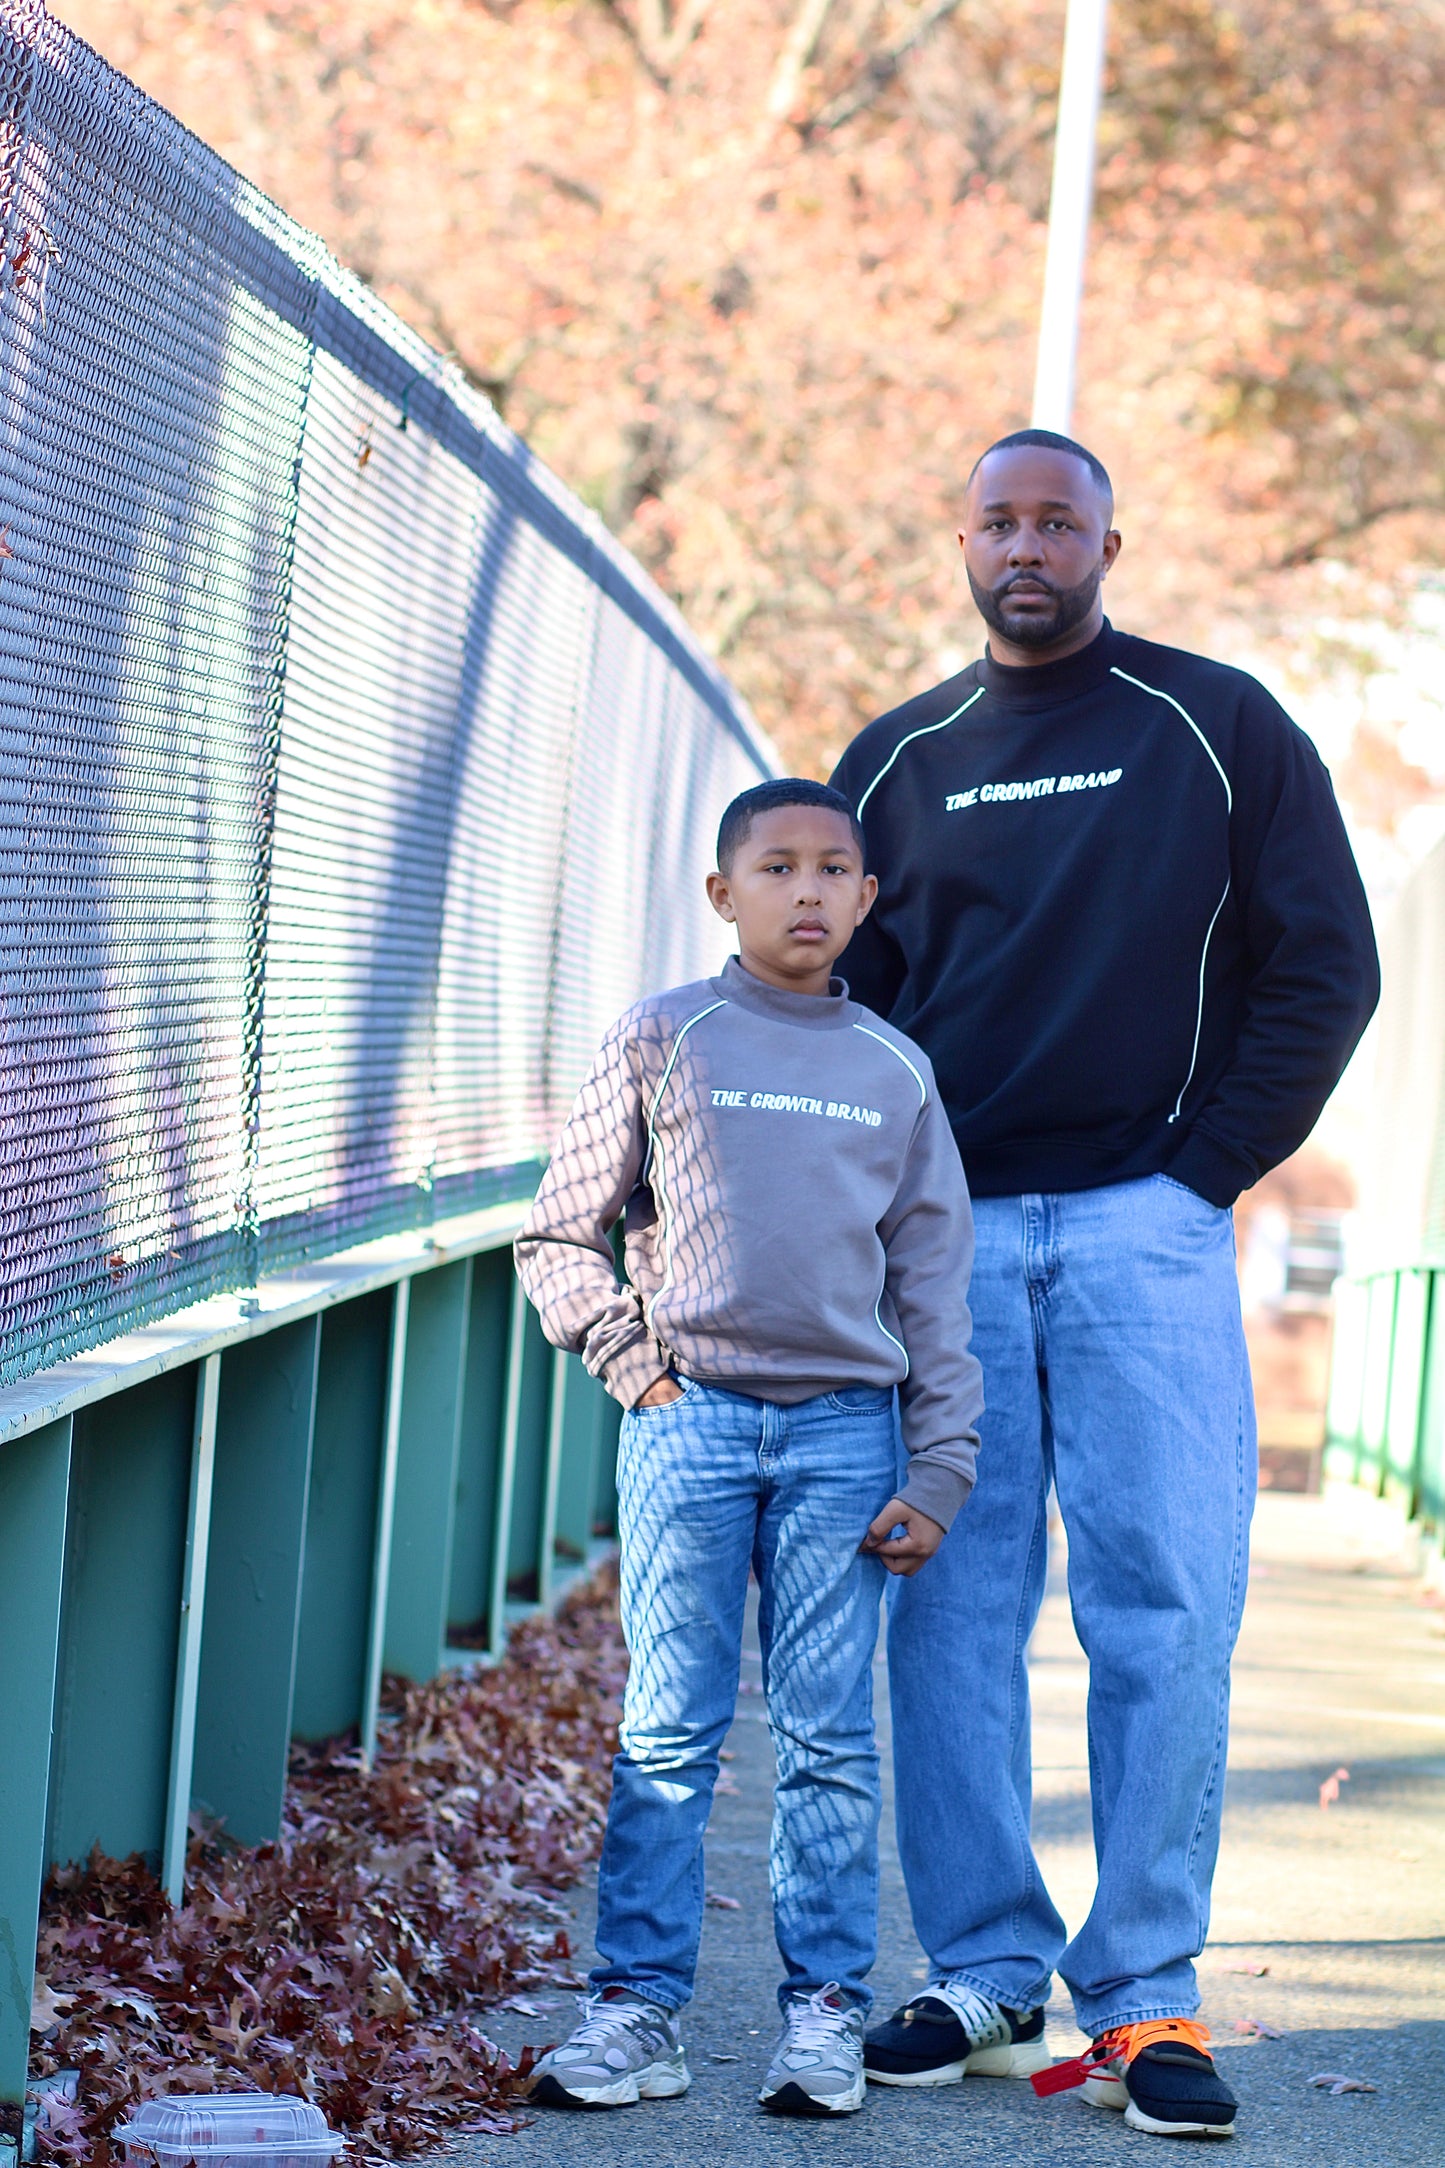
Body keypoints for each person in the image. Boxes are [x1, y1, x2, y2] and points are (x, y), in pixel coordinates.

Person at [830, 430, 1380, 2141]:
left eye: (1054, 522)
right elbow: (834, 1010)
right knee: (954, 1611)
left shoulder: (1216, 730)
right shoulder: (894, 762)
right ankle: (987, 1972)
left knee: (1165, 1612)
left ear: (1106, 545)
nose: (1023, 545)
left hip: (1148, 1230)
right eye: (995, 518)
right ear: (960, 540)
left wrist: (1200, 1169)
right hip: (952, 1249)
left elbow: (1324, 965)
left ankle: (1143, 1999)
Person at [513, 777, 984, 2118]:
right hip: (690, 1421)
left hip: (846, 1434)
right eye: (776, 868)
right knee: (667, 1728)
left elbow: (934, 1296)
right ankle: (635, 2013)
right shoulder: (667, 1037)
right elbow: (558, 1232)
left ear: (865, 897)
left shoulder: (895, 1072)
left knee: (831, 1741)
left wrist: (937, 1466)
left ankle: (822, 2014)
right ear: (724, 894)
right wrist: (632, 1367)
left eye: (834, 870)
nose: (808, 892)